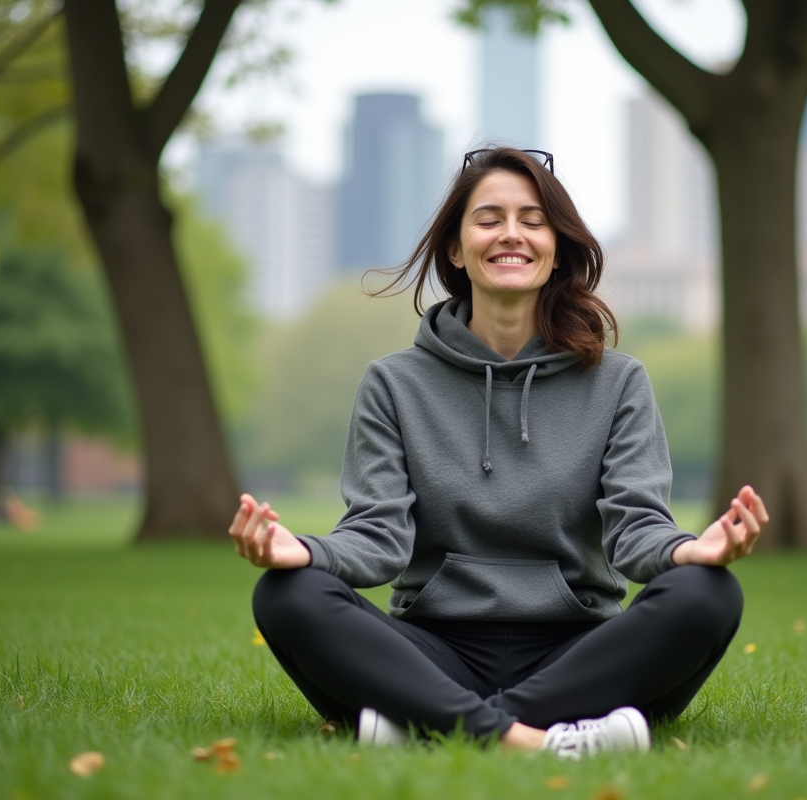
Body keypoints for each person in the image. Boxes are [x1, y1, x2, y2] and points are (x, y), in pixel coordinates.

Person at [229, 147, 768, 758]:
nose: (511, 234)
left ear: (557, 247)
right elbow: (377, 536)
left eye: (533, 220)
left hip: (579, 653)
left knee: (709, 592)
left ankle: (429, 728)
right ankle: (535, 740)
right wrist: (302, 550)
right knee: (286, 592)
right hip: (432, 653)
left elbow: (635, 529)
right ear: (456, 250)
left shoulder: (619, 382)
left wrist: (688, 549)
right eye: (488, 218)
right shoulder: (393, 383)